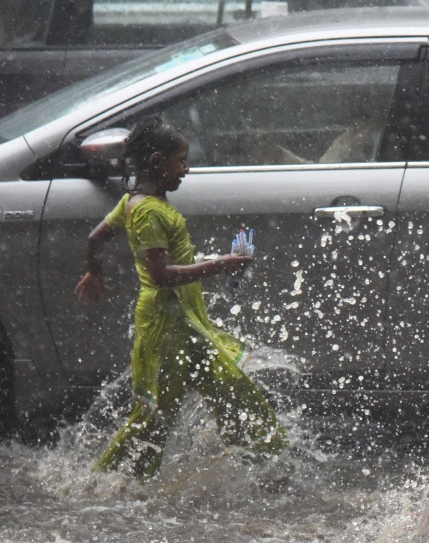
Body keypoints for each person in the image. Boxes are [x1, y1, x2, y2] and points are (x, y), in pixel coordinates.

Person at [74, 116, 287, 480]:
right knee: (155, 415)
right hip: (167, 327)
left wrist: (95, 271)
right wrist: (218, 265)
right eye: (181, 160)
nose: (186, 170)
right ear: (157, 161)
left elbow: (96, 238)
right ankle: (104, 483)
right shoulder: (146, 211)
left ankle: (269, 467)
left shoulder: (133, 202)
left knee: (229, 389)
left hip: (183, 323)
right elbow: (160, 275)